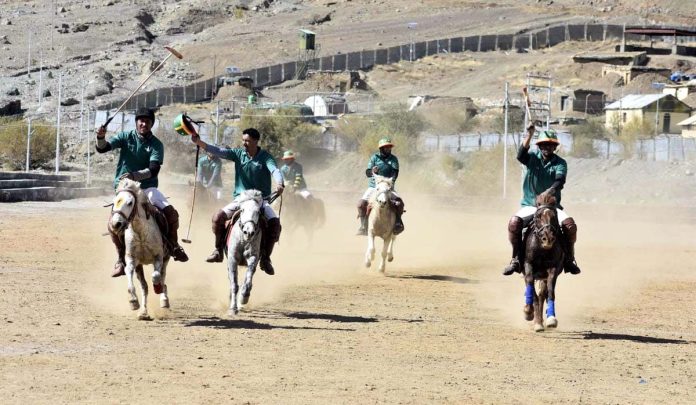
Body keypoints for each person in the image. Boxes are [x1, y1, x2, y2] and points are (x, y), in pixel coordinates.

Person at [96, 107, 189, 278]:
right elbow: (103, 148)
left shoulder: (156, 144)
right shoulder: (126, 137)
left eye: (147, 121)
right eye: (140, 120)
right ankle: (120, 259)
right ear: (136, 122)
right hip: (124, 187)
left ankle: (174, 246)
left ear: (151, 124)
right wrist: (101, 136)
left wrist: (135, 175)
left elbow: (153, 170)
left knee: (171, 213)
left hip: (147, 188)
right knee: (113, 222)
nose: (143, 123)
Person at [190, 127, 284, 275]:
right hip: (241, 199)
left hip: (261, 200)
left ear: (256, 141)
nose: (244, 143)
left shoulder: (266, 157)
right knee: (217, 218)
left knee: (274, 223)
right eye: (243, 140)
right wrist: (199, 142)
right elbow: (218, 151)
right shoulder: (238, 154)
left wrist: (280, 183)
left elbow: (275, 170)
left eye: (247, 141)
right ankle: (218, 250)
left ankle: (265, 258)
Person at [502, 124, 581, 276]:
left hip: (552, 207)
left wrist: (549, 191)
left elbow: (560, 180)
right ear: (539, 146)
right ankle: (516, 259)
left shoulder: (560, 163)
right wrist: (529, 135)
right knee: (514, 223)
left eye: (550, 145)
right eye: (544, 144)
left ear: (554, 147)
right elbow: (520, 155)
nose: (547, 147)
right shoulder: (532, 158)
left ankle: (569, 260)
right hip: (530, 205)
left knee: (570, 226)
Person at [356, 137, 405, 236]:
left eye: (389, 147)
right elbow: (368, 173)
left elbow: (395, 173)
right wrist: (372, 171)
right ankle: (363, 226)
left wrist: (390, 183)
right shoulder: (374, 158)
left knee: (399, 203)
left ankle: (398, 223)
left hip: (388, 186)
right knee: (361, 204)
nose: (388, 149)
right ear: (381, 148)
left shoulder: (393, 159)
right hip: (374, 187)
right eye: (386, 147)